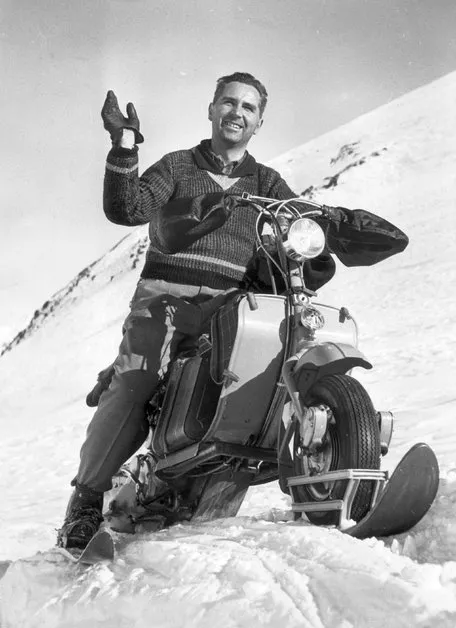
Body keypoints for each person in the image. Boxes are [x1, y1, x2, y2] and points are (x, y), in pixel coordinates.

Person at [57, 71, 336, 551]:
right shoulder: (178, 167)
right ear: (211, 110)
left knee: (257, 379)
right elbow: (127, 208)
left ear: (259, 122)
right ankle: (84, 503)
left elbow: (292, 226)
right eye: (229, 103)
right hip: (164, 297)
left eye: (248, 108)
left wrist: (314, 245)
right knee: (135, 383)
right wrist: (124, 144)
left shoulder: (268, 182)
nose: (237, 113)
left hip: (230, 305)